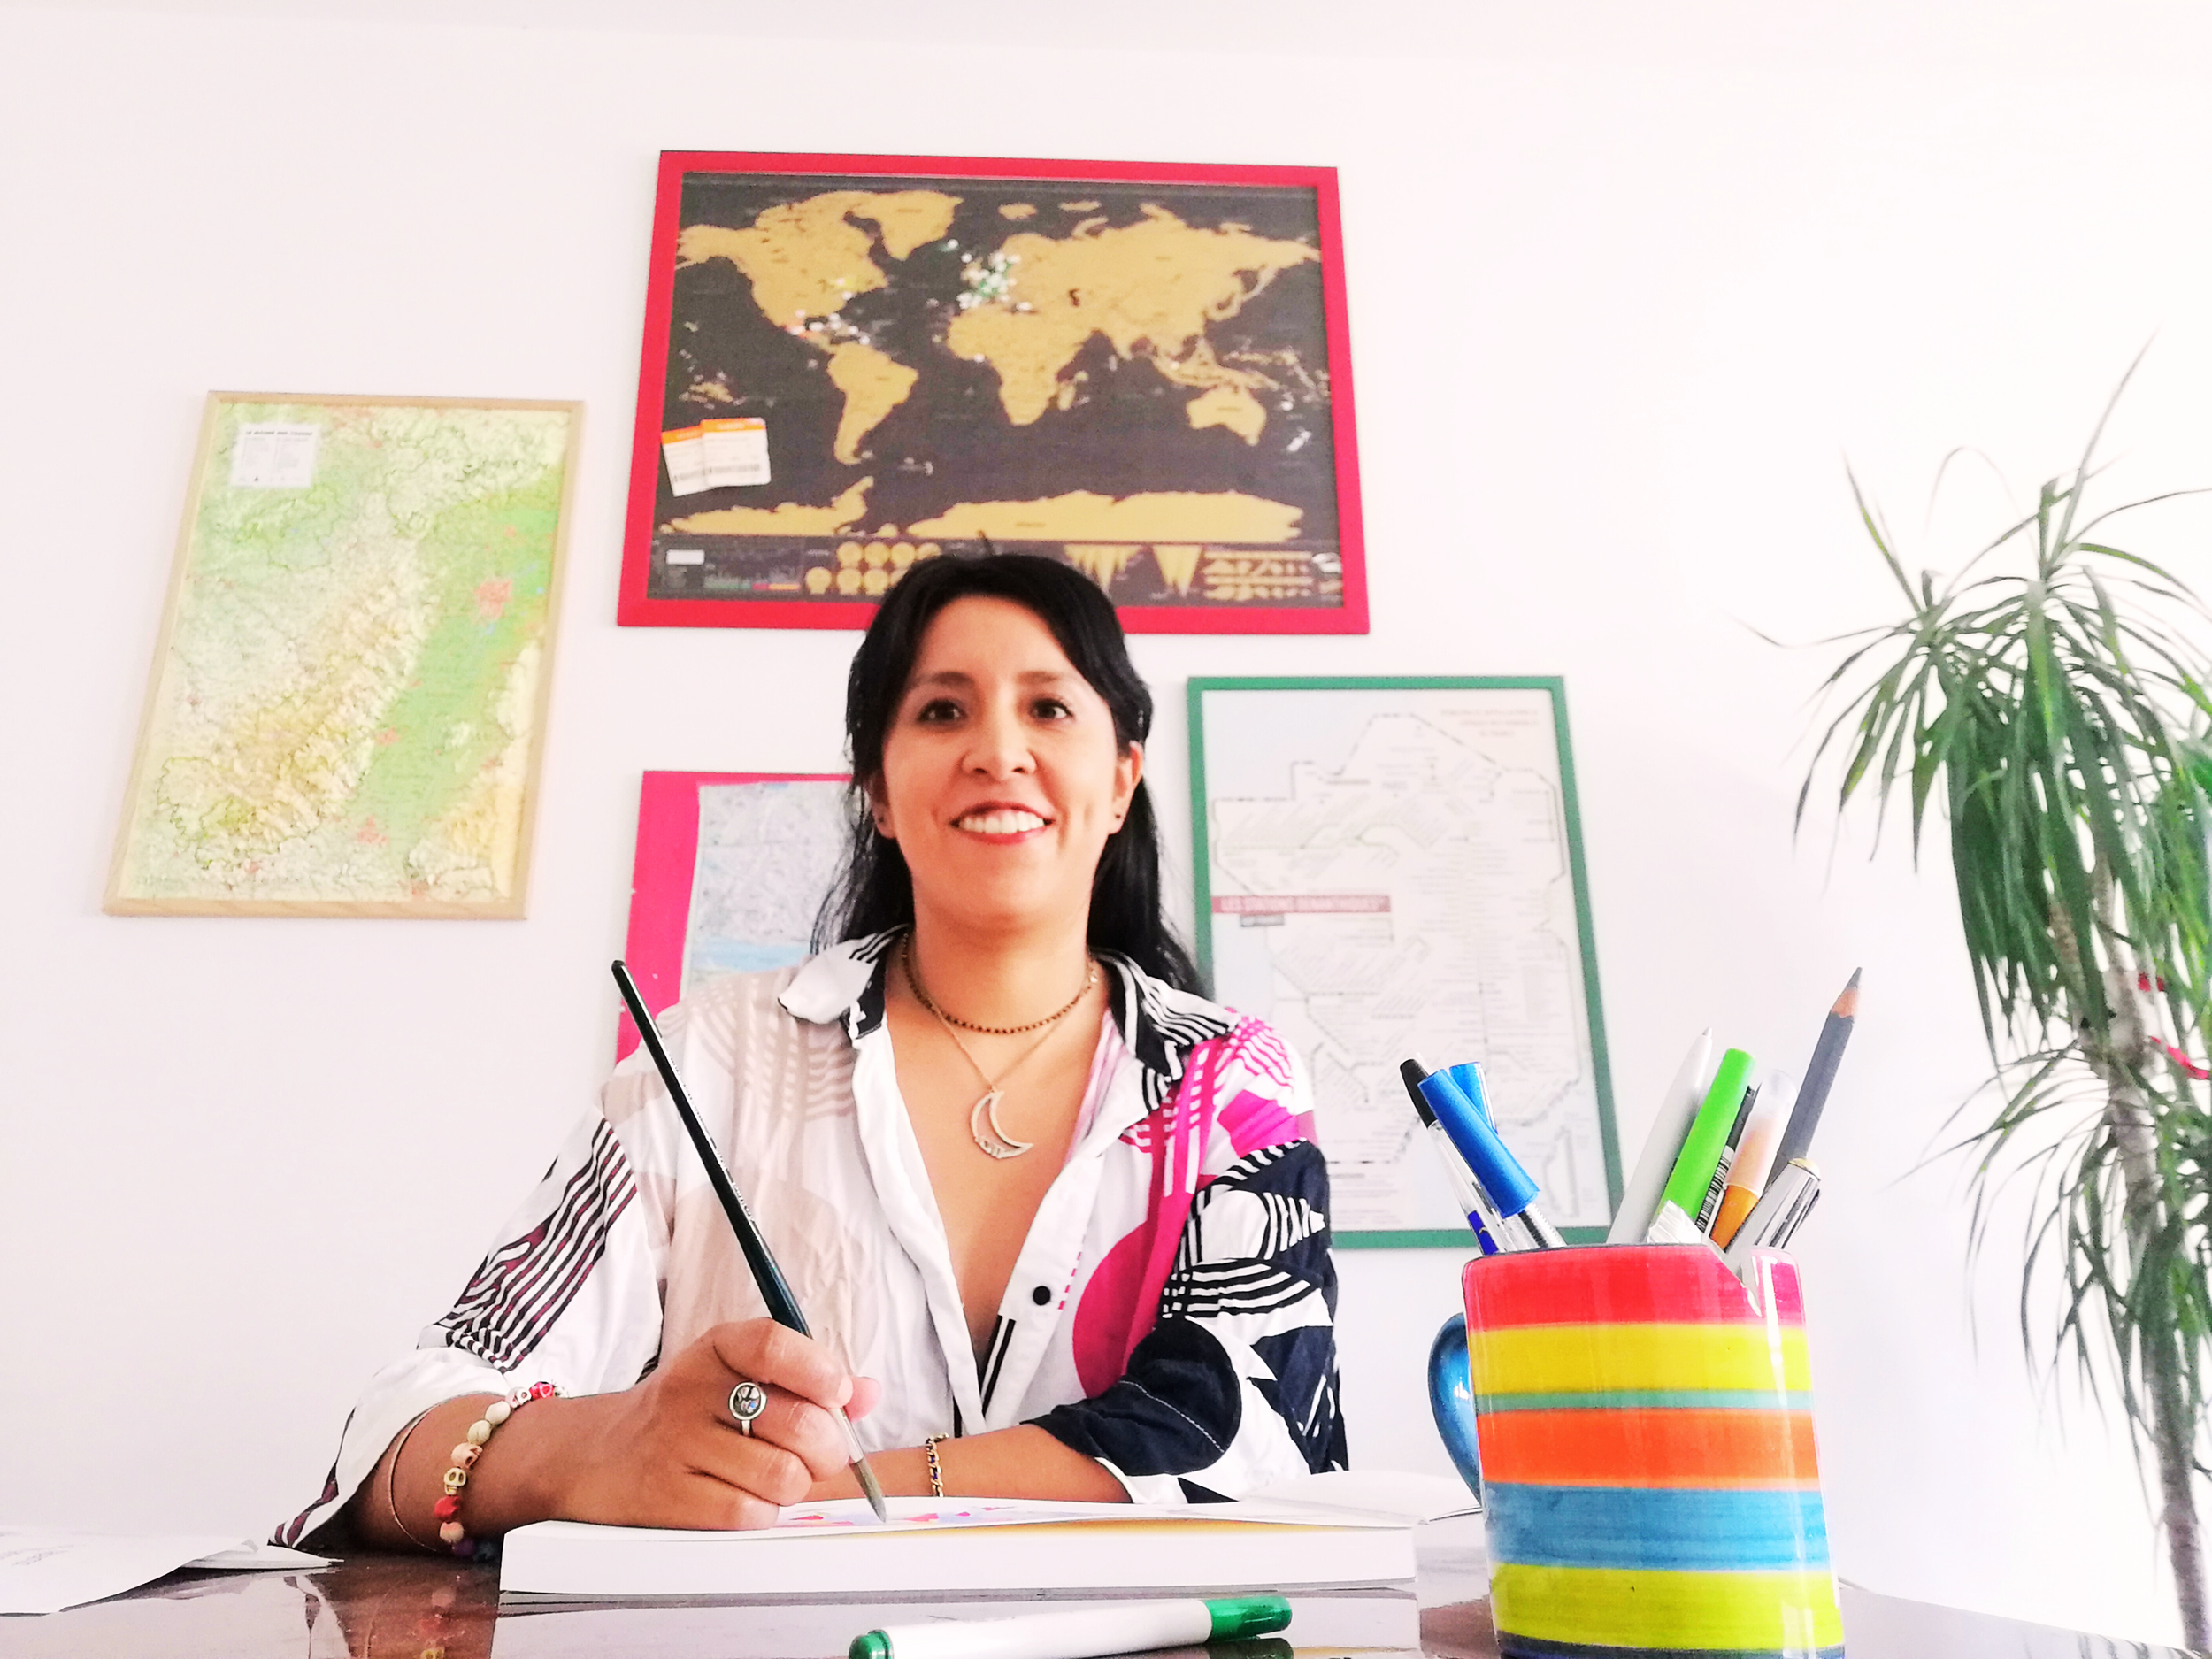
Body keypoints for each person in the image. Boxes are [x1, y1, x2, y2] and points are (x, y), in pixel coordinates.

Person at [281, 552, 1346, 1554]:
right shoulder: (714, 1056)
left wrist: (814, 1497)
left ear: (1120, 780)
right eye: (940, 710)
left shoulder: (1230, 1081)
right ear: (877, 791)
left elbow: (1252, 1435)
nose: (996, 750)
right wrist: (593, 1455)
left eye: (1049, 707)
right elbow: (398, 1428)